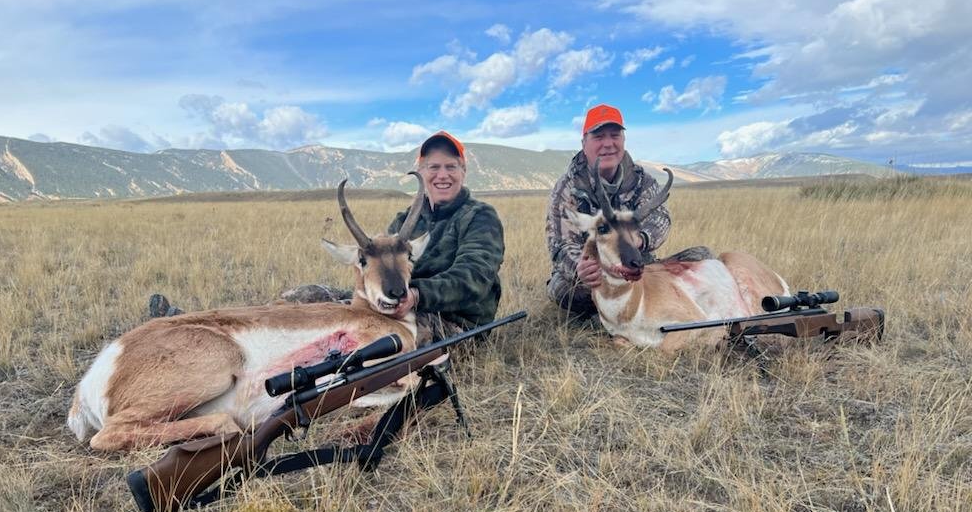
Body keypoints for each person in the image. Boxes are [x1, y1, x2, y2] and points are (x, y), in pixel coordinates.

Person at [149, 131, 505, 344]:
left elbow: (473, 278)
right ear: (422, 171)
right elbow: (375, 272)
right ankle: (201, 324)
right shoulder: (404, 221)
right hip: (395, 303)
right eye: (434, 167)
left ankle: (256, 346)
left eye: (451, 167)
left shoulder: (480, 217)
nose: (442, 175)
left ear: (463, 170)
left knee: (350, 336)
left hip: (452, 323)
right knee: (308, 298)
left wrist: (416, 295)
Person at [545, 103, 712, 318]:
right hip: (597, 274)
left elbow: (660, 218)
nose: (608, 144)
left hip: (640, 269)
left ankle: (645, 308)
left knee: (703, 258)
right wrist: (581, 268)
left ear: (623, 140)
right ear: (584, 143)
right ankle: (616, 316)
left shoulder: (642, 180)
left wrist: (639, 239)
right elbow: (561, 245)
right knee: (563, 290)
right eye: (599, 137)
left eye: (615, 135)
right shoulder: (567, 188)